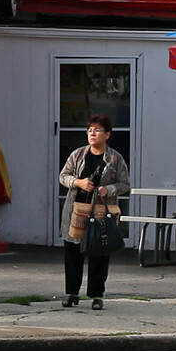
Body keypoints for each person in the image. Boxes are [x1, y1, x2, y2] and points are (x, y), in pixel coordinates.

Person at [57, 114, 130, 309]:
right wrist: (78, 182)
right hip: (77, 210)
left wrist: (109, 189)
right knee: (73, 251)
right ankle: (72, 293)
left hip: (101, 211)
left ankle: (97, 295)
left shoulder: (115, 158)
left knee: (100, 250)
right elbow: (63, 176)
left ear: (107, 134)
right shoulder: (78, 154)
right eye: (90, 130)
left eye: (97, 130)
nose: (92, 134)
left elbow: (125, 183)